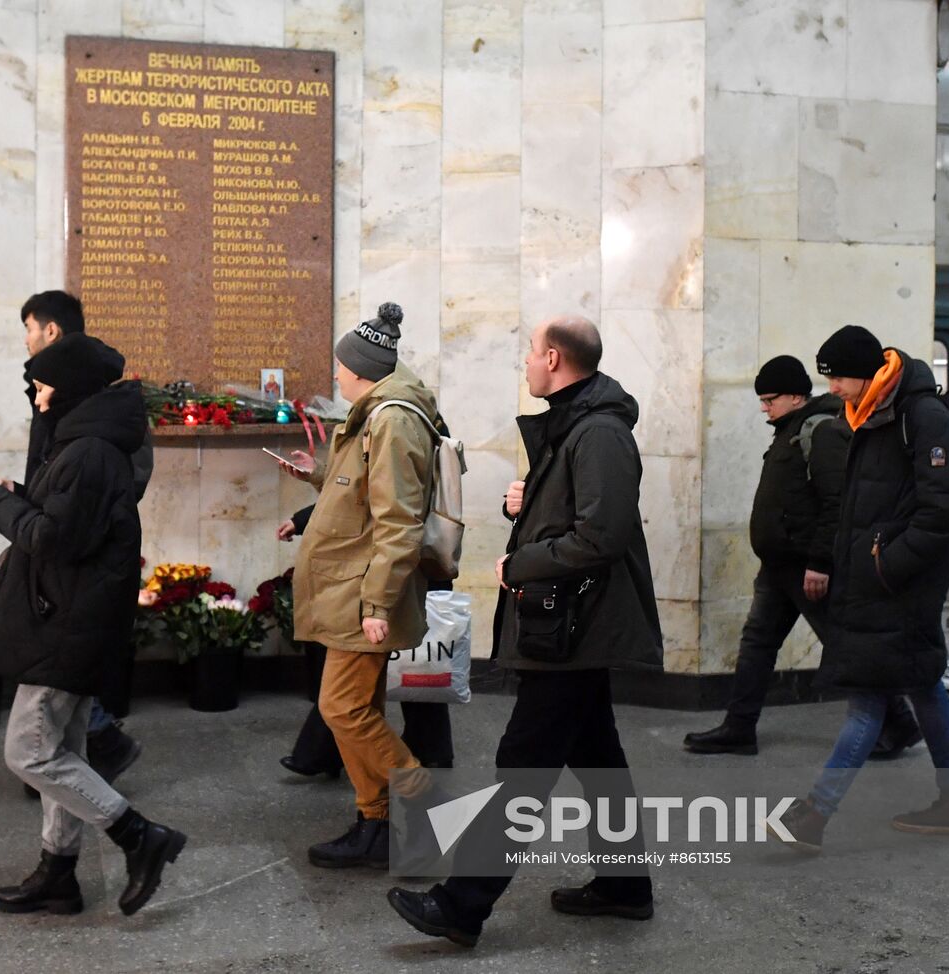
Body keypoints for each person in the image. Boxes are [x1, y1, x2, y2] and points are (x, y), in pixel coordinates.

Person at [387, 315, 662, 948]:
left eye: (532, 355)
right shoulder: (576, 425)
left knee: (524, 766)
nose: (527, 365)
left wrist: (523, 560)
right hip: (569, 626)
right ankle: (626, 886)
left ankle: (461, 905)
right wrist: (526, 503)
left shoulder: (598, 432)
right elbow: (575, 510)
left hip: (577, 627)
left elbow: (602, 534)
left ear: (557, 358)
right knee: (598, 760)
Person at [0, 333, 186, 916]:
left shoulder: (89, 451)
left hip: (65, 621)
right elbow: (64, 519)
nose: (37, 401)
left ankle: (138, 836)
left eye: (42, 389)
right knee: (63, 749)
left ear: (66, 389)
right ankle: (57, 872)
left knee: (28, 753)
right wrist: (20, 495)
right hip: (68, 615)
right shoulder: (83, 444)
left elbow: (54, 539)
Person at [769, 325, 949, 854]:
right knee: (923, 683)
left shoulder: (920, 416)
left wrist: (888, 567)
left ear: (868, 373)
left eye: (839, 377)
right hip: (875, 581)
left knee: (868, 699)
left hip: (900, 584)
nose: (833, 388)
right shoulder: (869, 415)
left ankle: (815, 814)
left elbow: (945, 510)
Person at [684, 356, 921, 758]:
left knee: (844, 645)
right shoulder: (790, 430)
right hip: (779, 566)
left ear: (796, 396)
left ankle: (900, 722)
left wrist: (820, 563)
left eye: (770, 399)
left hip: (805, 567)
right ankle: (739, 727)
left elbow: (836, 503)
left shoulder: (821, 430)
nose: (764, 408)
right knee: (757, 643)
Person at [279, 302, 438, 870]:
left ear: (361, 368)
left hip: (363, 590)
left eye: (341, 367)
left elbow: (398, 519)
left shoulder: (391, 418)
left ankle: (424, 807)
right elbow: (362, 485)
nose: (337, 376)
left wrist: (377, 602)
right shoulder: (377, 413)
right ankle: (376, 820)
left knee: (341, 708)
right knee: (357, 704)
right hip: (352, 584)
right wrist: (317, 473)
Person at [18, 290, 145, 784]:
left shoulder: (93, 422)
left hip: (67, 549)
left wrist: (28, 506)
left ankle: (130, 825)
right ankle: (81, 762)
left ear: (51, 331)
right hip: (49, 524)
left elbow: (91, 490)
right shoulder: (75, 407)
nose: (27, 340)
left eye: (30, 328)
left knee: (34, 739)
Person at [276, 503, 454, 777]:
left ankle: (418, 773)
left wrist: (377, 606)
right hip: (409, 566)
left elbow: (371, 495)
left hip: (396, 571)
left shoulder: (405, 459)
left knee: (364, 685)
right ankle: (428, 756)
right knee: (405, 674)